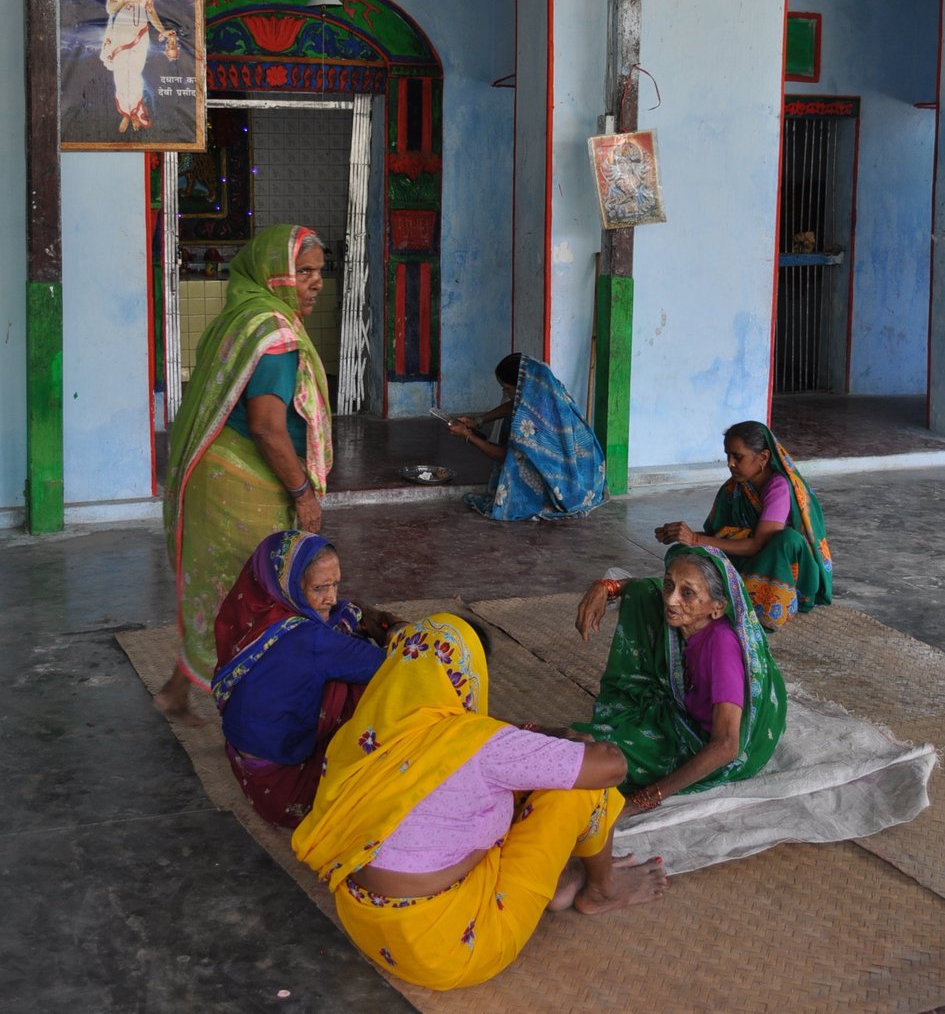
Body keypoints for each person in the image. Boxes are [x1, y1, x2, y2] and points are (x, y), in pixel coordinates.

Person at [291, 613, 668, 991]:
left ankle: (556, 879)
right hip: (451, 953)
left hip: (367, 927)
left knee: (491, 789)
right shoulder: (477, 743)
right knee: (583, 787)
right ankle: (602, 890)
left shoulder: (360, 737)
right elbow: (611, 767)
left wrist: (530, 735)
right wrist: (572, 744)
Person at [157, 224, 332, 723]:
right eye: (303, 272)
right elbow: (268, 428)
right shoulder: (274, 338)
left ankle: (177, 690)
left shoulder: (241, 318)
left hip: (218, 474)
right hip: (243, 484)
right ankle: (257, 718)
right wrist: (303, 493)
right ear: (274, 276)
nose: (315, 282)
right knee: (261, 595)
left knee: (225, 587)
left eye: (319, 271)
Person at [573, 546, 787, 809]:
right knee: (641, 595)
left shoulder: (721, 645)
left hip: (705, 744)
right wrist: (606, 587)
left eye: (687, 593)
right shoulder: (686, 614)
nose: (671, 600)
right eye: (669, 585)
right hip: (678, 715)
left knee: (599, 757)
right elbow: (644, 587)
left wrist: (648, 797)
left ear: (717, 608)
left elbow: (727, 745)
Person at [212, 530, 399, 829]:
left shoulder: (252, 614)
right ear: (290, 586)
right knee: (381, 687)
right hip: (290, 790)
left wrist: (359, 616)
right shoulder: (310, 638)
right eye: (320, 588)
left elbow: (344, 613)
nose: (332, 598)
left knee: (333, 650)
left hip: (248, 772)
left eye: (336, 584)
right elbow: (393, 665)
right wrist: (396, 629)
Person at [654, 420, 832, 631]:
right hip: (746, 558)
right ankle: (730, 596)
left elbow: (758, 545)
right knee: (680, 552)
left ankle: (763, 606)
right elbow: (719, 536)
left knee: (787, 540)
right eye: (728, 455)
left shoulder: (779, 487)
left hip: (774, 562)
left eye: (738, 457)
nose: (730, 463)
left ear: (763, 457)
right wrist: (681, 536)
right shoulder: (735, 488)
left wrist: (695, 539)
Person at [448, 353, 607, 521]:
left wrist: (468, 436)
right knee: (514, 418)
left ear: (523, 387)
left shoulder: (538, 424)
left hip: (575, 486)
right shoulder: (544, 390)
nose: (505, 392)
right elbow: (514, 404)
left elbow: (509, 457)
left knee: (518, 436)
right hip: (589, 475)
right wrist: (479, 420)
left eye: (507, 389)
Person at [99, 0, 170, 134]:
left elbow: (151, 13)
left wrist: (162, 30)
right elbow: (110, 9)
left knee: (136, 74)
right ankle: (125, 113)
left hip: (141, 33)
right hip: (121, 33)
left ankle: (135, 111)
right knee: (121, 75)